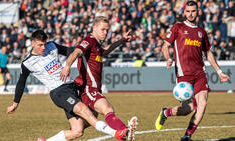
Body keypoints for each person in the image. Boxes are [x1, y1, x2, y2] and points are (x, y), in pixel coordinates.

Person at [6, 30, 129, 141]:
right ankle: (116, 133)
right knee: (85, 111)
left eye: (44, 44)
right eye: (40, 45)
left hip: (71, 87)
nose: (43, 47)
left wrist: (86, 51)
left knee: (77, 131)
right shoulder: (28, 63)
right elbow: (21, 82)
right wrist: (15, 103)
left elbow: (71, 51)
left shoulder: (52, 46)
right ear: (32, 43)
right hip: (59, 92)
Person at [155, 1, 230, 141]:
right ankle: (165, 113)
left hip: (200, 73)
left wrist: (219, 72)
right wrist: (168, 58)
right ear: (184, 12)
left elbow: (208, 53)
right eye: (188, 11)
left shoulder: (201, 32)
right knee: (188, 108)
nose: (190, 14)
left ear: (198, 12)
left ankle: (187, 136)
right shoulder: (177, 27)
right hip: (184, 74)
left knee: (202, 104)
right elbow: (165, 46)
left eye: (193, 11)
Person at [60, 16, 138, 141]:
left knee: (78, 130)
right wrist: (67, 66)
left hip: (93, 89)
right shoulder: (89, 40)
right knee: (107, 108)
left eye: (107, 30)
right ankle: (124, 131)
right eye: (102, 30)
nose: (105, 33)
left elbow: (104, 51)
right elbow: (76, 52)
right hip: (87, 89)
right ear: (94, 28)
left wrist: (121, 41)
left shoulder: (96, 44)